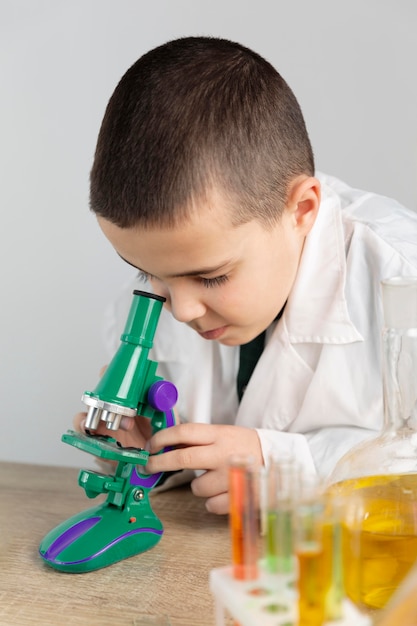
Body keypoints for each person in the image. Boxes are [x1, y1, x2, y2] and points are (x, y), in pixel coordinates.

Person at [74, 36, 417, 515]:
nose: (182, 309)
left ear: (301, 210)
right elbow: (196, 452)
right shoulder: (173, 269)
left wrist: (296, 470)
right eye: (148, 273)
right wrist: (154, 452)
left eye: (211, 277)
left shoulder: (402, 275)